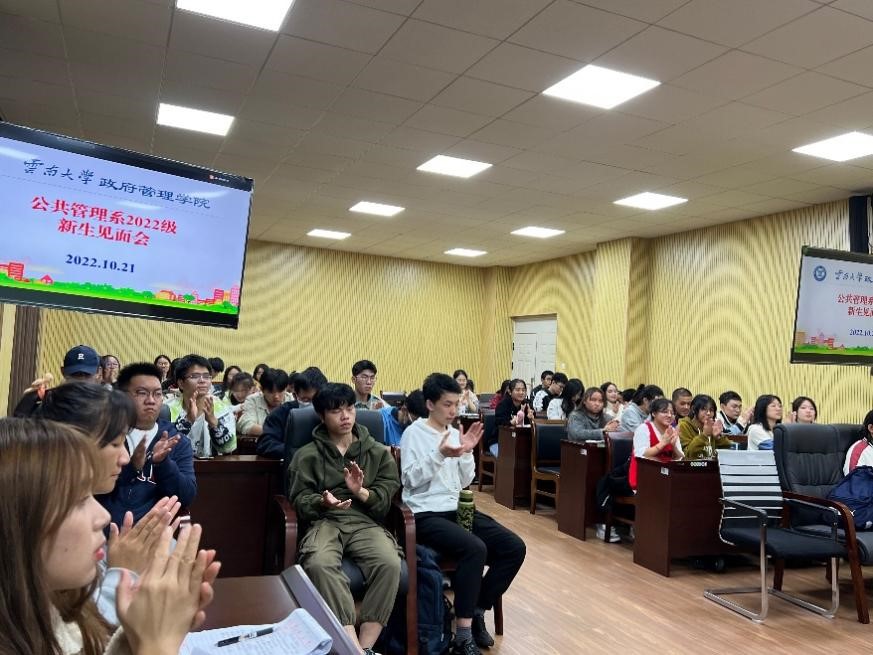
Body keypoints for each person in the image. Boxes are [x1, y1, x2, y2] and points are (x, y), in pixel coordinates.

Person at [0, 417, 218, 655]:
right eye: (79, 500)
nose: (103, 517)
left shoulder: (57, 609)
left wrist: (135, 636)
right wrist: (156, 645)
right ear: (16, 519)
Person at [401, 373, 525, 655]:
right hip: (425, 513)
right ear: (430, 404)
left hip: (457, 508)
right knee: (475, 548)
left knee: (513, 547)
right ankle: (463, 635)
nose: (453, 410)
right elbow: (410, 480)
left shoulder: (455, 432)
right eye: (447, 404)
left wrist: (467, 452)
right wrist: (440, 454)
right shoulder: (414, 434)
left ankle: (478, 609)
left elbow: (466, 480)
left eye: (456, 404)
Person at [287, 383, 402, 655]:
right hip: (325, 521)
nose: (345, 416)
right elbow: (299, 499)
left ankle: (366, 646)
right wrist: (322, 501)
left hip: (364, 521)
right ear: (321, 416)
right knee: (319, 562)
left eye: (349, 408)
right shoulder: (307, 455)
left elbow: (385, 499)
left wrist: (360, 491)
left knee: (389, 562)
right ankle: (352, 647)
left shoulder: (377, 452)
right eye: (336, 411)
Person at [106, 363, 197, 525]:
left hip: (155, 530)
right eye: (142, 393)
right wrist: (131, 467)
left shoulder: (176, 440)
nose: (151, 400)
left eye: (157, 394)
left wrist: (163, 464)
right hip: (107, 527)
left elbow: (186, 496)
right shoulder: (107, 434)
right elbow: (91, 488)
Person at [164, 354, 236, 458]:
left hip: (211, 466)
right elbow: (164, 447)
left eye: (206, 376)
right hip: (176, 465)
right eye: (195, 376)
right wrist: (188, 420)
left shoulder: (222, 408)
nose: (202, 380)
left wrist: (214, 423)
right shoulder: (167, 409)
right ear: (181, 383)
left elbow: (229, 448)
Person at [257, 367, 328, 459]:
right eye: (306, 400)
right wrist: (296, 451)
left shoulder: (332, 412)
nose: (313, 405)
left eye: (317, 400)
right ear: (295, 396)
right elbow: (265, 444)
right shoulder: (281, 413)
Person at [12, 344, 102, 417]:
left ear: (98, 372)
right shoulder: (48, 400)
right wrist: (29, 400)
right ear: (63, 372)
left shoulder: (106, 404)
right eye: (75, 375)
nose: (81, 380)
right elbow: (19, 427)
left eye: (86, 375)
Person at [631, 397, 683, 489]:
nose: (669, 415)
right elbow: (641, 456)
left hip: (666, 478)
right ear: (654, 413)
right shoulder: (643, 429)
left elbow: (679, 458)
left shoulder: (672, 430)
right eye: (664, 412)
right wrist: (663, 443)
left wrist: (673, 446)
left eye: (672, 413)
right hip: (644, 477)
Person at [238, 368, 294, 436]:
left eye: (280, 391)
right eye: (271, 392)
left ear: (285, 389)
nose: (276, 396)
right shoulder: (253, 400)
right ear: (262, 389)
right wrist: (275, 432)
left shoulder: (290, 399)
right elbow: (246, 425)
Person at [678, 394, 733, 460]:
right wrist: (704, 435)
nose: (708, 413)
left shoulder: (712, 426)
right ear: (693, 409)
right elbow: (688, 454)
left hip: (710, 465)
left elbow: (728, 450)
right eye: (704, 409)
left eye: (711, 410)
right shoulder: (684, 426)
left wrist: (718, 437)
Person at [490, 379, 534, 457]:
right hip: (499, 442)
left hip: (520, 442)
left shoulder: (527, 404)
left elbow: (527, 426)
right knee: (506, 458)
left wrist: (531, 419)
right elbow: (499, 423)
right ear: (510, 392)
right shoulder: (502, 405)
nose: (521, 392)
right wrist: (510, 423)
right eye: (517, 390)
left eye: (523, 390)